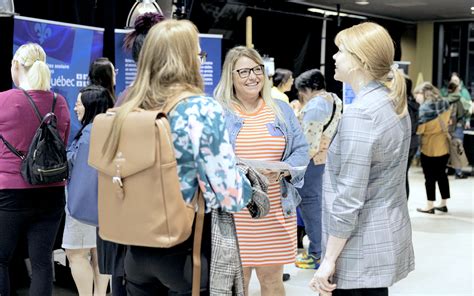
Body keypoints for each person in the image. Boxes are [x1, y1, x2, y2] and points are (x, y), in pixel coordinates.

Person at [99, 19, 251, 295]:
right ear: (185, 60)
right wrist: (249, 183)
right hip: (185, 253)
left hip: (132, 254)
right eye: (198, 54)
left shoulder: (128, 107)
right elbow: (230, 196)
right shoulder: (200, 109)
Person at [310, 22, 414, 296]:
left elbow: (349, 197)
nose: (334, 56)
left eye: (341, 50)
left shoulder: (362, 113)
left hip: (358, 247)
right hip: (380, 238)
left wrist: (328, 259)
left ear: (360, 61)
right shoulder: (391, 102)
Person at [214, 46, 309, 296]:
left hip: (275, 211)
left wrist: (284, 171)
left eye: (257, 69)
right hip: (235, 214)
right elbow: (209, 158)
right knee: (237, 283)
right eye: (243, 71)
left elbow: (301, 150)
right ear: (230, 76)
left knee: (272, 281)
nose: (252, 77)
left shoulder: (281, 110)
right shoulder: (218, 111)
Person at [0, 43, 71, 295]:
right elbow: (61, 143)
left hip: (10, 193)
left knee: (1, 261)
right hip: (51, 191)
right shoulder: (59, 102)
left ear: (16, 66)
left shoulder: (3, 100)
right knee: (42, 264)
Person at [62, 85, 114, 295]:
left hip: (82, 203)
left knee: (76, 254)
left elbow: (76, 164)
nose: (75, 108)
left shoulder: (88, 133)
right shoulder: (110, 128)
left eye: (79, 104)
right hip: (105, 204)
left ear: (90, 106)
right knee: (100, 254)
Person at [293, 69, 342, 270]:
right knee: (318, 206)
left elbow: (309, 144)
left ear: (310, 88)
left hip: (311, 163)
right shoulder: (334, 99)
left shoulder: (315, 105)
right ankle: (320, 251)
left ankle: (316, 254)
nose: (301, 96)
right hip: (324, 160)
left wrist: (293, 166)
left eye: (302, 91)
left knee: (310, 207)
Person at [414, 82, 452, 214]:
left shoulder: (425, 110)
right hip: (443, 147)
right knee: (442, 175)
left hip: (429, 149)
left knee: (429, 178)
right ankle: (443, 203)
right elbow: (448, 122)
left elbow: (420, 130)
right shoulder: (445, 104)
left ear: (423, 93)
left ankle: (430, 205)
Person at [445, 81, 470, 179]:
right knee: (458, 149)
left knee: (449, 149)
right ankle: (458, 173)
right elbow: (462, 113)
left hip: (448, 127)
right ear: (455, 89)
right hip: (457, 127)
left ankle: (450, 169)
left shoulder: (446, 99)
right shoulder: (458, 99)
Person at [405, 77, 420, 198]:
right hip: (413, 143)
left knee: (401, 177)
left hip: (407, 144)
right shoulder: (413, 103)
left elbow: (408, 128)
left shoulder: (406, 105)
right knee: (403, 176)